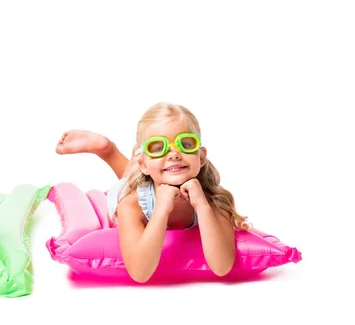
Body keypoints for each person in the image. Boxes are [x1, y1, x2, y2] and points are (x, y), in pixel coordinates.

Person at [55, 102, 250, 282]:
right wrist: (162, 209)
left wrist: (202, 206)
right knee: (129, 180)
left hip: (152, 171)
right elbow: (140, 273)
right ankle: (108, 151)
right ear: (144, 163)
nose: (174, 153)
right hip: (131, 189)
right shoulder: (131, 203)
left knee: (158, 169)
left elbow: (222, 267)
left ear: (201, 157)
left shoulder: (214, 198)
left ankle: (140, 153)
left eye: (186, 144)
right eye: (158, 147)